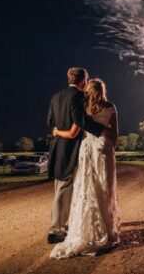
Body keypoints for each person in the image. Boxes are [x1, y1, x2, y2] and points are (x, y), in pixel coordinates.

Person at [50, 78, 120, 258]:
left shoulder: (84, 109)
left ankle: (86, 229)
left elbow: (76, 130)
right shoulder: (111, 106)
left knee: (86, 187)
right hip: (104, 147)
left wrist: (57, 132)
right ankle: (108, 230)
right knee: (105, 188)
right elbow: (115, 133)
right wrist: (109, 145)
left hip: (87, 147)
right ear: (103, 90)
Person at [47, 68, 107, 244]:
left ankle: (60, 226)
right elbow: (79, 119)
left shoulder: (55, 97)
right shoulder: (78, 96)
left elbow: (49, 122)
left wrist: (57, 131)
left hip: (57, 146)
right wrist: (102, 130)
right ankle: (55, 230)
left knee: (60, 185)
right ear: (83, 80)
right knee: (65, 186)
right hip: (69, 147)